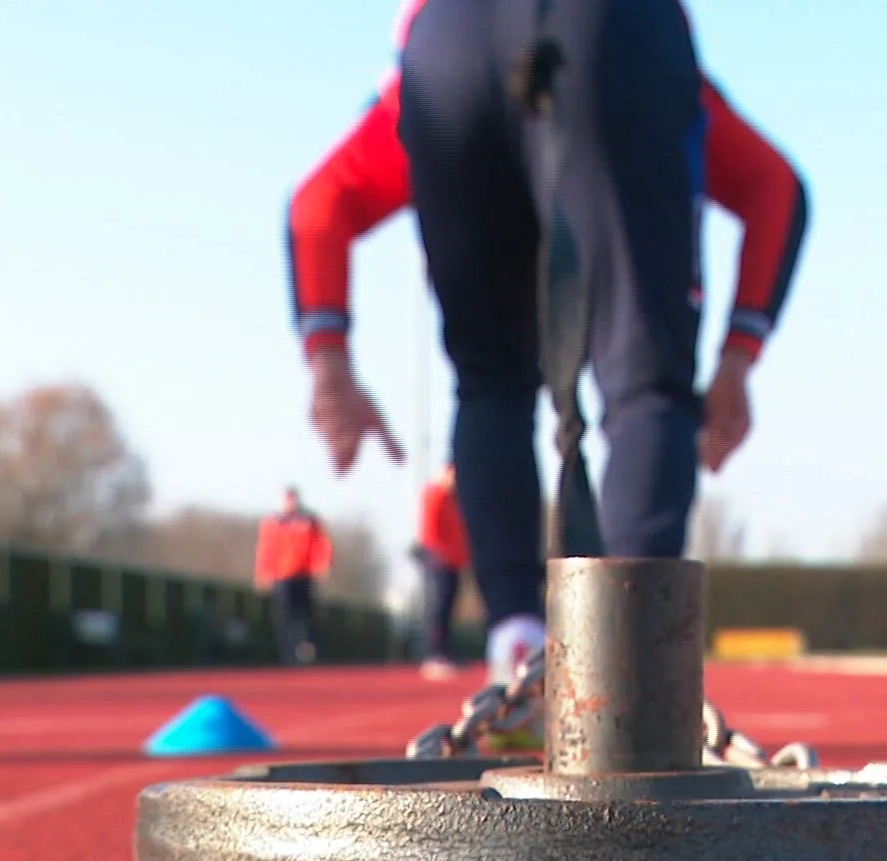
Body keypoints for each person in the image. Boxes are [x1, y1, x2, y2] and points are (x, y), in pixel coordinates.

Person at [287, 0, 808, 683]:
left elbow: (316, 206)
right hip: (617, 30)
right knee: (646, 384)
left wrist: (331, 366)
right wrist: (739, 357)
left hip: (446, 40)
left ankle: (516, 646)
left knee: (490, 380)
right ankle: (632, 673)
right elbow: (778, 188)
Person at [254, 486, 334, 665]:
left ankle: (308, 653)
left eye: (293, 499)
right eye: (287, 499)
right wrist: (262, 574)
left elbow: (322, 544)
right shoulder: (272, 522)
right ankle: (288, 656)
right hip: (282, 577)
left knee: (307, 616)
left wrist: (323, 565)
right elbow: (265, 549)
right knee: (285, 617)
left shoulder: (309, 520)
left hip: (305, 575)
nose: (290, 502)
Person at [414, 462, 469, 681]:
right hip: (438, 561)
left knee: (448, 609)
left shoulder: (454, 499)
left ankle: (445, 653)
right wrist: (436, 554)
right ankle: (434, 655)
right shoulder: (434, 494)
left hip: (454, 561)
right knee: (438, 608)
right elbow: (429, 529)